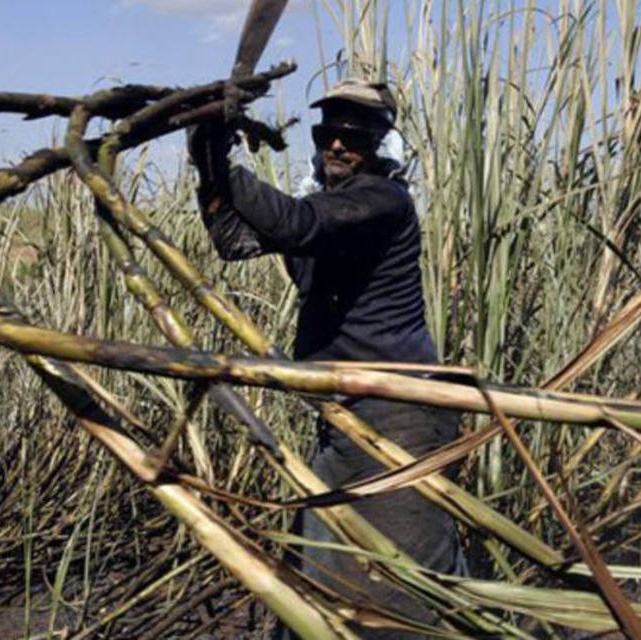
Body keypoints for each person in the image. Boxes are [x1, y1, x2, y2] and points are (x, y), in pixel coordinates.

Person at [188, 79, 465, 639]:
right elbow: (234, 241)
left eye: (354, 136)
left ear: (379, 144)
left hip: (399, 419)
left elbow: (296, 223)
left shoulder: (381, 202)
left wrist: (222, 159)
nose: (338, 145)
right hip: (343, 419)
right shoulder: (332, 206)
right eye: (329, 133)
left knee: (398, 600)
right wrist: (208, 164)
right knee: (329, 576)